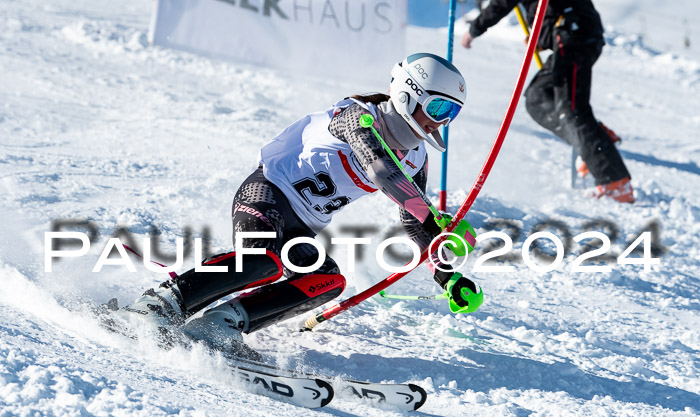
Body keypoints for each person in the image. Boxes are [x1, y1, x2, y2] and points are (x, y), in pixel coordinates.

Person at [113, 53, 484, 352]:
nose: (442, 122)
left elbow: (415, 224)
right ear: (409, 94)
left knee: (327, 281)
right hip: (266, 193)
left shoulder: (416, 157)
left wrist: (448, 278)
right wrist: (437, 219)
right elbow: (381, 171)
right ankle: (161, 303)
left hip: (300, 227)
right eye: (438, 110)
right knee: (263, 260)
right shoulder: (359, 116)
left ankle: (222, 324)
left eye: (452, 115)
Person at [461, 0, 635, 203]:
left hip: (574, 35)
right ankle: (593, 140)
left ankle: (615, 182)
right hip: (569, 35)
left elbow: (502, 3)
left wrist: (474, 29)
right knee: (537, 98)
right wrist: (543, 37)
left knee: (571, 110)